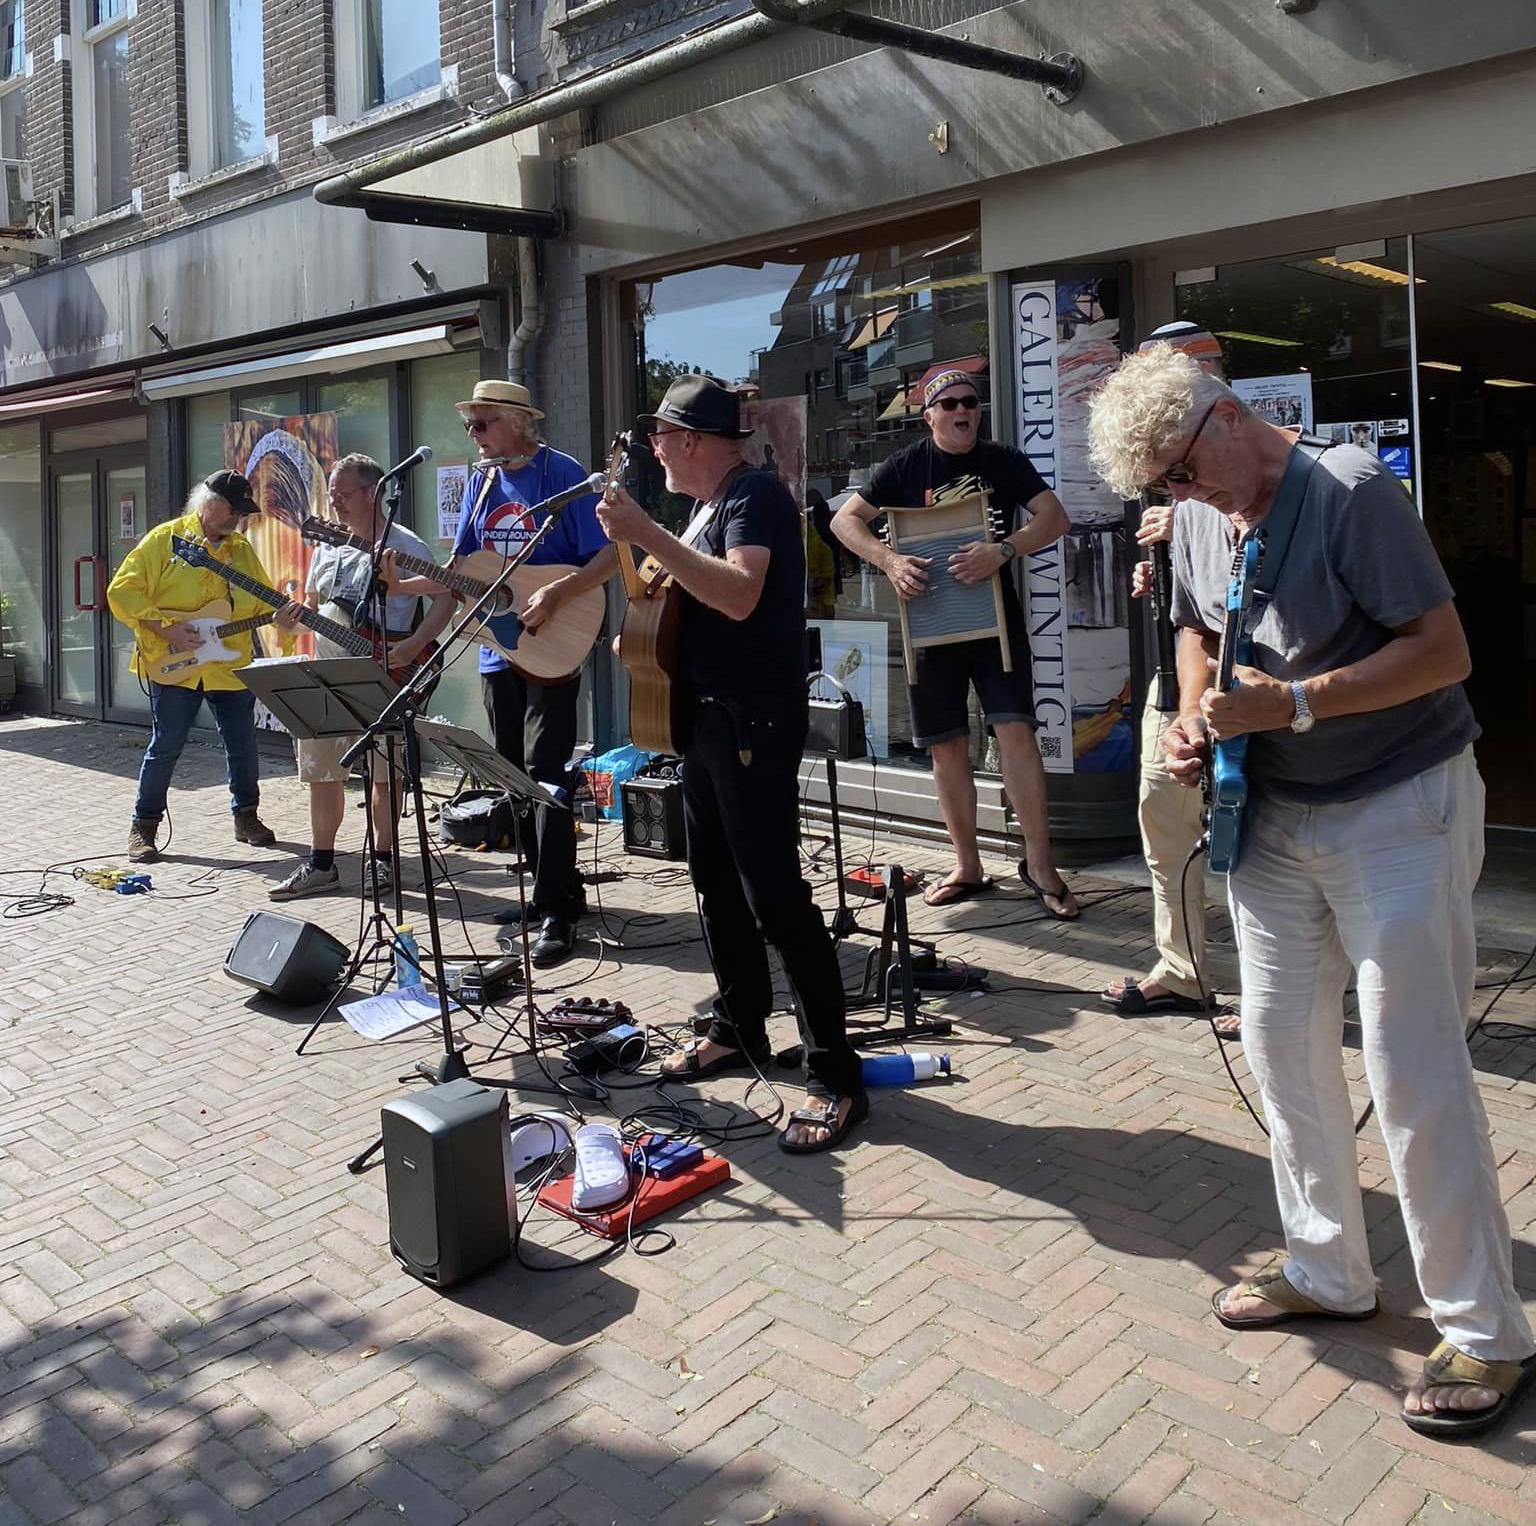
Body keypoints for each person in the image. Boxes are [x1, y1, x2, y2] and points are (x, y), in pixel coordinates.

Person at [1088, 342, 1536, 1440]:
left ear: (1227, 418)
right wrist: (1198, 714)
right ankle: (1328, 1264)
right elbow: (1197, 627)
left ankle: (1485, 1325)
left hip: (1398, 802)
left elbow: (1444, 651)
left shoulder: (1353, 492)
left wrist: (1290, 705)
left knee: (1410, 1057)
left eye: (1184, 474)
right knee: (1283, 1047)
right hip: (1275, 816)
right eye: (1163, 490)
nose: (1181, 499)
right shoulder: (1199, 506)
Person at [597, 375, 866, 1153]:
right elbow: (693, 605)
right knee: (715, 887)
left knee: (777, 898)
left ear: (689, 440)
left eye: (660, 437)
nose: (652, 449)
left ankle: (834, 1074)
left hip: (753, 722)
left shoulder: (755, 497)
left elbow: (743, 594)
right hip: (704, 722)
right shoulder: (705, 510)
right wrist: (647, 640)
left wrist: (645, 531)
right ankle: (737, 1024)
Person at [831, 363, 1077, 917]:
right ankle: (967, 864)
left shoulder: (1003, 462)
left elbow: (1054, 518)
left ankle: (1041, 865)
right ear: (929, 416)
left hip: (994, 623)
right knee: (946, 745)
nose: (963, 410)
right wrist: (888, 560)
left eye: (970, 402)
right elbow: (844, 522)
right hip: (929, 620)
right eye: (949, 404)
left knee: (1015, 731)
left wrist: (1004, 549)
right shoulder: (903, 467)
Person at [389, 379, 615, 968]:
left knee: (549, 773)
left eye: (481, 423)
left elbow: (611, 555)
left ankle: (560, 913)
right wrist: (402, 581)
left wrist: (557, 594)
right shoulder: (481, 482)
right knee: (514, 774)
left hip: (551, 643)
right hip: (497, 646)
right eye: (470, 425)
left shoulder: (564, 474)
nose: (473, 434)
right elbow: (462, 571)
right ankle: (548, 892)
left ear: (518, 421)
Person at [1103, 323, 1236, 1035]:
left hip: (1253, 688)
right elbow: (1193, 612)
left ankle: (1282, 991)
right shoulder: (1166, 484)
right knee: (1165, 826)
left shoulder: (1252, 461)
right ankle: (1182, 971)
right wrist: (1164, 569)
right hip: (1178, 680)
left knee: (1265, 840)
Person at [268, 454, 455, 900]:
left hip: (384, 674)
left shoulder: (405, 545)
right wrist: (288, 620)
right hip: (326, 674)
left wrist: (412, 646)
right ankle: (321, 864)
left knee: (382, 774)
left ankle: (384, 862)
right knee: (322, 772)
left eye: (344, 494)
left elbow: (447, 598)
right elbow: (311, 611)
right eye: (331, 495)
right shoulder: (326, 546)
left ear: (373, 492)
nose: (335, 504)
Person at [108, 471, 295, 864]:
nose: (237, 519)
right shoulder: (166, 539)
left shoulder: (242, 549)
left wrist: (284, 618)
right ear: (208, 502)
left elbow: (264, 605)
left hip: (229, 664)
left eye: (243, 512)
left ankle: (246, 817)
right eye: (233, 509)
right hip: (175, 664)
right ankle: (143, 826)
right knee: (166, 745)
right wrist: (167, 628)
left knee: (242, 744)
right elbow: (122, 589)